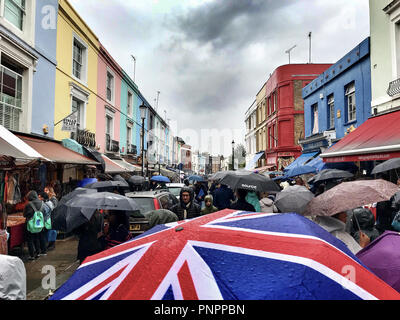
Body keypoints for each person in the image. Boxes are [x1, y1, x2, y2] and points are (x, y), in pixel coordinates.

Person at [23, 191, 47, 260]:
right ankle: (38, 253)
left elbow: (24, 214)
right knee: (37, 238)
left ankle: (32, 255)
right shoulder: (42, 203)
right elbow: (44, 213)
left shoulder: (28, 204)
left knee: (30, 240)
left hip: (31, 225)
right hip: (39, 225)